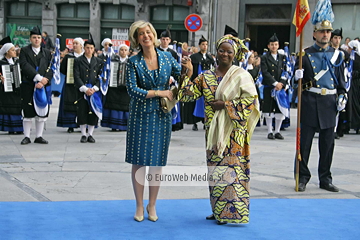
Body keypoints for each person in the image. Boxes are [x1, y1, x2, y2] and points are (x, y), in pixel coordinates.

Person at [178, 35, 260, 224]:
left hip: (235, 134)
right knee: (215, 172)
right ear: (216, 52)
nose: (224, 54)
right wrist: (187, 74)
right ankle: (218, 210)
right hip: (213, 133)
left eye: (228, 51)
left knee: (234, 173)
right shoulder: (206, 76)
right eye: (221, 50)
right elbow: (186, 96)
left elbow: (251, 102)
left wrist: (225, 105)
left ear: (235, 54)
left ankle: (233, 213)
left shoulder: (241, 75)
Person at [125, 20, 192, 222]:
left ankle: (152, 204)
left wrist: (188, 70)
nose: (146, 36)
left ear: (153, 35)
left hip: (162, 116)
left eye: (148, 32)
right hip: (140, 116)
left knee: (156, 162)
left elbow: (179, 80)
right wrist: (158, 92)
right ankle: (138, 205)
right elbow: (132, 90)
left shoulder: (166, 57)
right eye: (141, 34)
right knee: (139, 162)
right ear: (136, 39)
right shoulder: (133, 62)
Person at [294, 5, 346, 192]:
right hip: (309, 102)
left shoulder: (337, 55)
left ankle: (325, 179)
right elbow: (295, 85)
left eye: (328, 31)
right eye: (322, 31)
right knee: (304, 144)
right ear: (314, 33)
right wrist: (296, 77)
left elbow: (341, 83)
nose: (325, 34)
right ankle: (302, 177)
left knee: (327, 145)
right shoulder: (304, 54)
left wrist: (342, 97)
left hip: (329, 104)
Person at [19, 26, 53, 145]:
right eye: (34, 37)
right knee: (28, 112)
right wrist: (38, 78)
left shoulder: (47, 52)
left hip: (43, 86)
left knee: (41, 111)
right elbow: (24, 65)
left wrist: (45, 80)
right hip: (29, 85)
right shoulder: (24, 51)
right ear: (30, 39)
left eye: (39, 37)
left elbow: (51, 68)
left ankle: (39, 136)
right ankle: (27, 136)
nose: (37, 40)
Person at [73, 35, 103, 143]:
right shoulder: (78, 60)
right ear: (84, 48)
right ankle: (83, 134)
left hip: (94, 91)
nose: (89, 50)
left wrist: (95, 88)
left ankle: (90, 134)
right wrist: (85, 89)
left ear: (94, 49)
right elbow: (76, 76)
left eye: (91, 48)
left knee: (93, 113)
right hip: (82, 90)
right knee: (82, 111)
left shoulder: (99, 61)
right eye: (87, 48)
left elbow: (101, 76)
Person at [183, 35, 215, 131]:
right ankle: (194, 122)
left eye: (206, 44)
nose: (204, 46)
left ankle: (206, 121)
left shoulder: (210, 57)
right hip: (197, 81)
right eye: (203, 44)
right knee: (195, 101)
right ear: (199, 45)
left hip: (208, 82)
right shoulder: (194, 57)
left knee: (207, 102)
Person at [261, 33, 287, 140]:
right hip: (269, 86)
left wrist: (281, 83)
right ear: (268, 46)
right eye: (272, 44)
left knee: (279, 109)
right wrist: (275, 83)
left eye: (276, 44)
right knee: (268, 109)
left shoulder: (282, 57)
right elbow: (265, 72)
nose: (274, 46)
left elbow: (286, 70)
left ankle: (277, 131)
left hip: (280, 87)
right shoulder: (264, 57)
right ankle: (269, 131)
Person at [100, 41, 130, 131]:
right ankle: (113, 125)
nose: (123, 52)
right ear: (118, 51)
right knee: (113, 105)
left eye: (125, 50)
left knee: (125, 106)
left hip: (126, 89)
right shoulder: (113, 60)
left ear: (128, 52)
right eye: (121, 50)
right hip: (114, 87)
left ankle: (123, 125)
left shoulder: (130, 62)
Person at [56, 37, 84, 133]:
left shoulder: (84, 57)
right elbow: (62, 69)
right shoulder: (69, 57)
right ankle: (70, 124)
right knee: (69, 103)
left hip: (82, 85)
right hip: (70, 84)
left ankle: (82, 124)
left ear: (81, 45)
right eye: (74, 43)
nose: (75, 45)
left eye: (77, 43)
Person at [330, 29, 350, 139]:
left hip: (341, 81)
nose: (337, 40)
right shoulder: (328, 51)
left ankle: (335, 129)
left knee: (338, 107)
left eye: (339, 38)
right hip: (331, 81)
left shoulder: (344, 54)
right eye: (335, 38)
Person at [0, 39, 23, 134]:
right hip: (5, 90)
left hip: (16, 89)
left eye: (15, 50)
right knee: (7, 107)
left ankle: (17, 128)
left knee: (17, 107)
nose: (15, 52)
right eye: (12, 50)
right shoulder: (1, 62)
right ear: (7, 52)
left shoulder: (17, 62)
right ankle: (9, 128)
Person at [347, 40, 360, 133]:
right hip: (352, 83)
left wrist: (354, 74)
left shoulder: (357, 58)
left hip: (356, 83)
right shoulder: (351, 57)